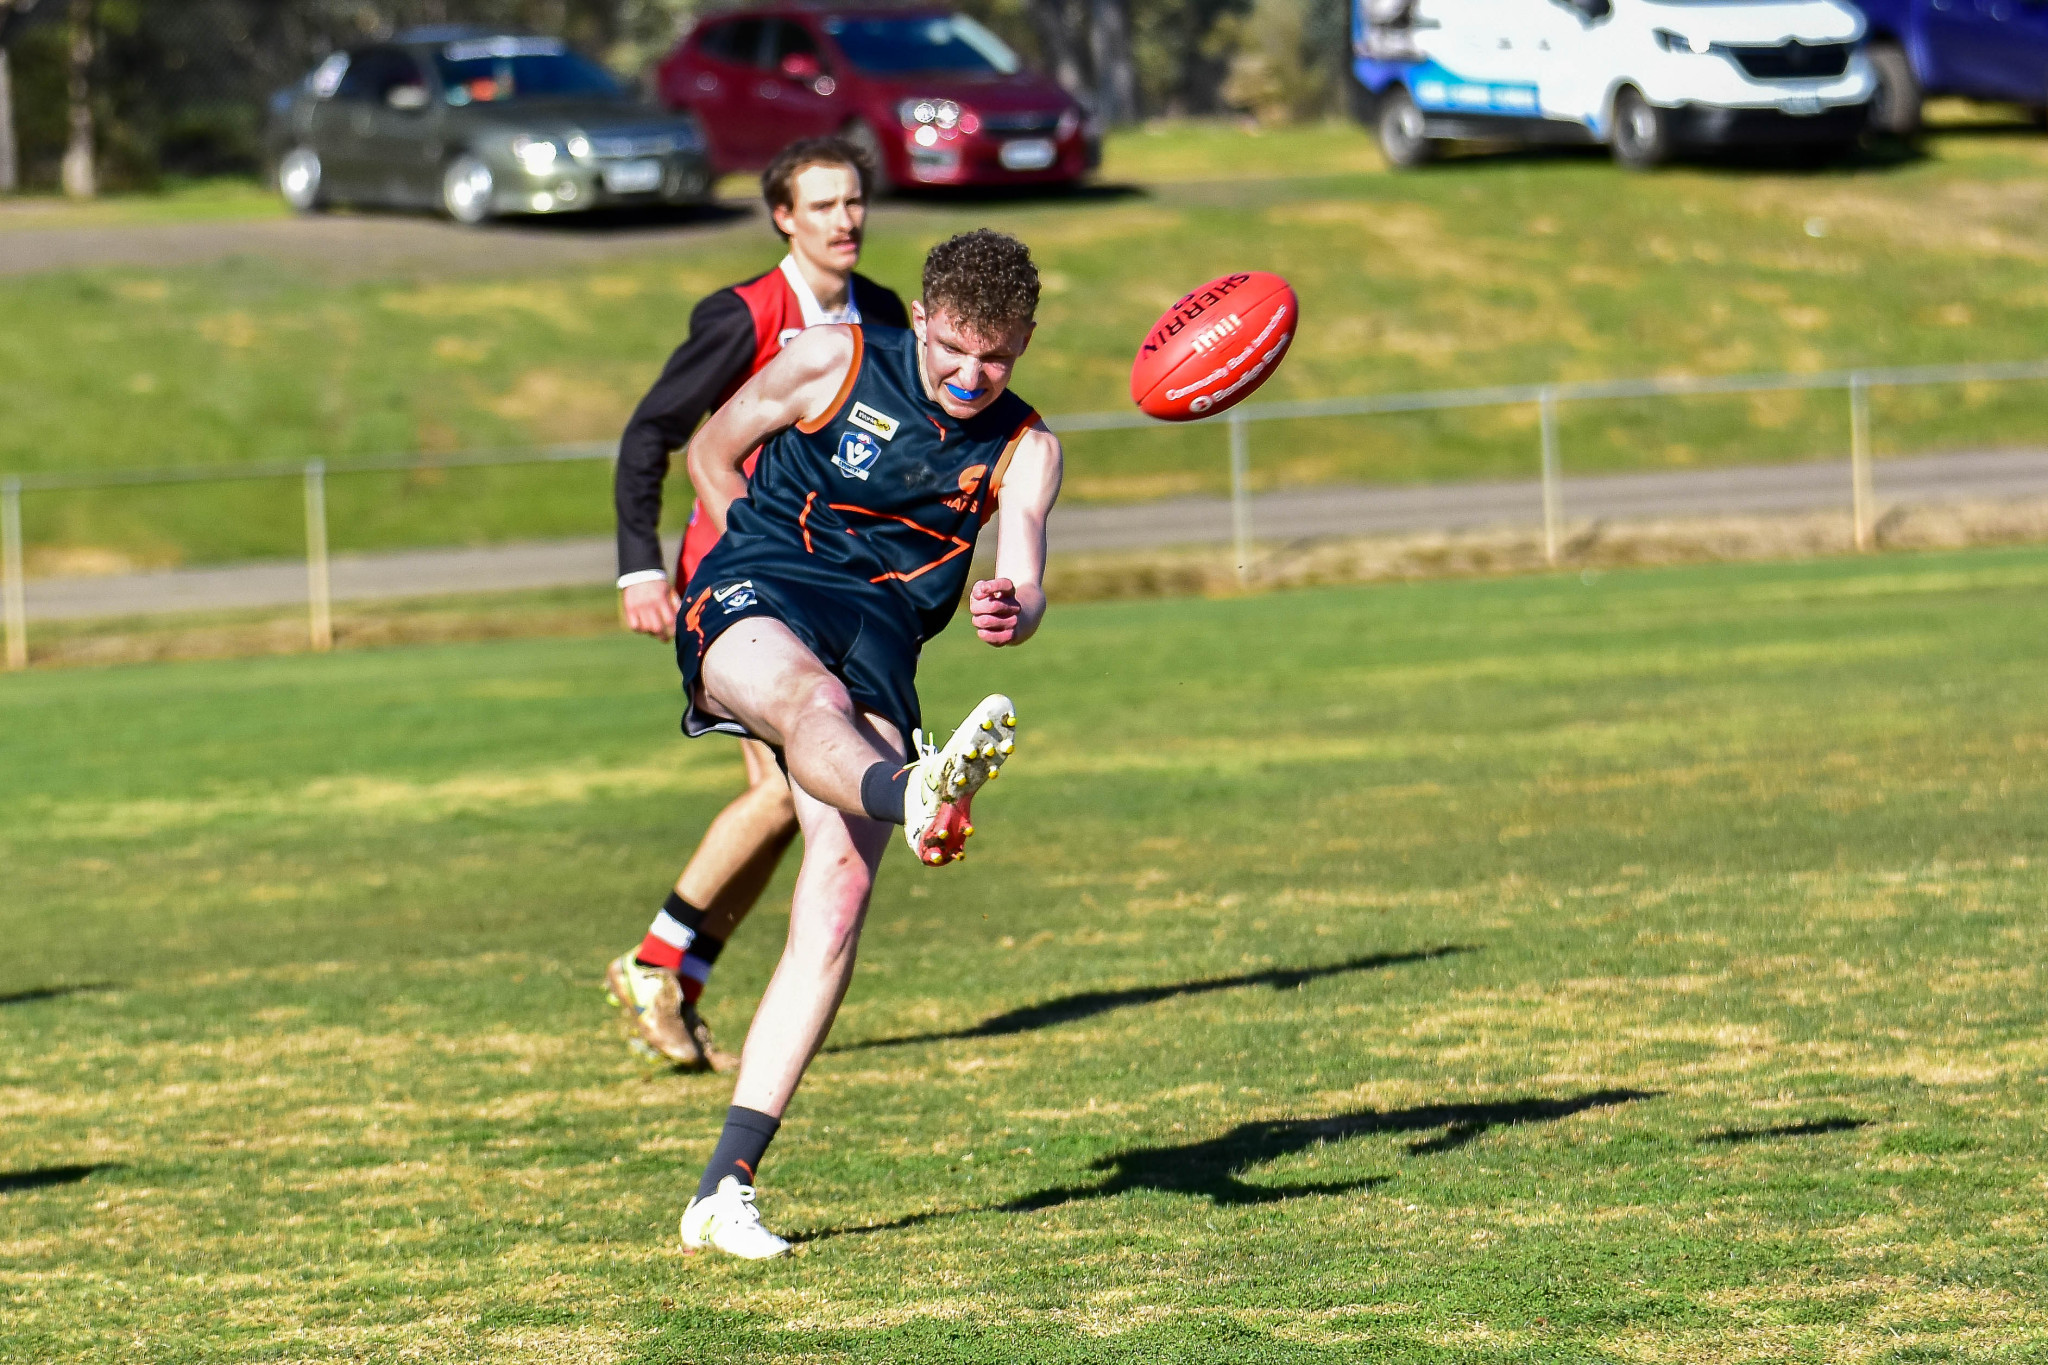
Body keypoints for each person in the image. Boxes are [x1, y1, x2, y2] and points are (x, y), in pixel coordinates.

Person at [672, 229, 1062, 1259]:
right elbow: (709, 450)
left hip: (883, 638)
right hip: (764, 595)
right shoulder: (833, 358)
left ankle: (724, 1190)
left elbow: (1023, 572)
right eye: (954, 351)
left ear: (1022, 342)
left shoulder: (1025, 446)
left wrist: (1006, 610)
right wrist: (733, 550)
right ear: (922, 320)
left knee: (837, 899)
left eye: (998, 357)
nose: (972, 376)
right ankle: (912, 790)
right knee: (806, 705)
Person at [605, 137, 910, 1072]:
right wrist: (639, 568)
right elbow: (652, 433)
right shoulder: (743, 316)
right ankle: (659, 962)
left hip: (834, 590)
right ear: (784, 217)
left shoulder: (889, 317)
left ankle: (676, 969)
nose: (844, 220)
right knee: (787, 786)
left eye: (853, 201)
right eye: (822, 206)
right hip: (733, 581)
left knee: (792, 793)